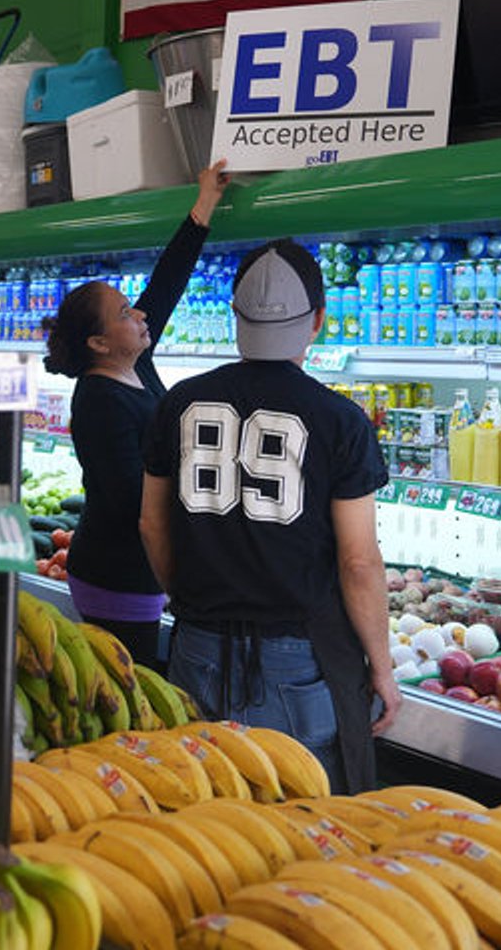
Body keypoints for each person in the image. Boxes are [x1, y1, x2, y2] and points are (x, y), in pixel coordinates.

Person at [137, 239, 399, 793]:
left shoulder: (179, 403)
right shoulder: (341, 419)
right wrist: (382, 663)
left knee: (203, 814)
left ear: (235, 317)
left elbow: (151, 524)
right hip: (296, 662)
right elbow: (358, 562)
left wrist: (187, 600)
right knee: (299, 820)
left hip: (196, 645)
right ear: (319, 320)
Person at [41, 159, 229, 671]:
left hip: (134, 567)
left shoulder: (133, 363)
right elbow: (134, 504)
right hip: (116, 574)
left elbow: (165, 287)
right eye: (125, 313)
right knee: (130, 691)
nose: (140, 315)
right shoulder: (98, 402)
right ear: (99, 342)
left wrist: (204, 203)